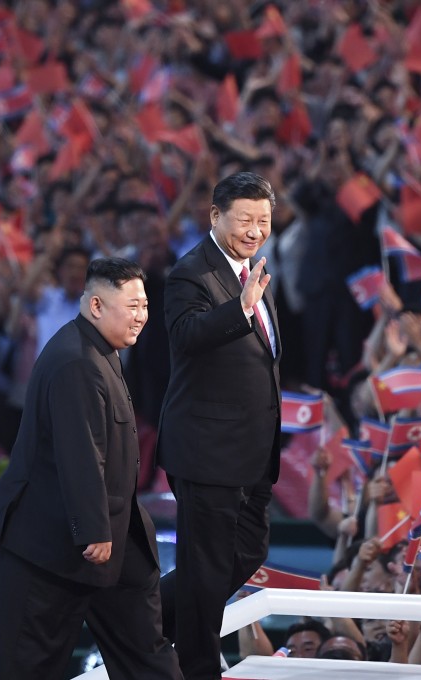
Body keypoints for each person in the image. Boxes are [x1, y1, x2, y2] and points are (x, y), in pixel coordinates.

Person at [0, 258, 180, 680]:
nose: (142, 316)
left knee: (147, 653)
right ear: (95, 306)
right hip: (55, 545)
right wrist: (93, 527)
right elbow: (81, 451)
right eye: (132, 306)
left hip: (111, 542)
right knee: (26, 665)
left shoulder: (99, 350)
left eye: (144, 305)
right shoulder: (77, 361)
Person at [157, 171, 282, 679]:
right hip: (207, 449)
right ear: (215, 216)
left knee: (248, 549)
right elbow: (185, 336)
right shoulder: (191, 273)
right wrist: (241, 308)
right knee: (206, 568)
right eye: (245, 219)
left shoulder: (254, 269)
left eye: (264, 220)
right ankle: (199, 667)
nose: (255, 230)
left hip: (250, 452)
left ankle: (143, 618)